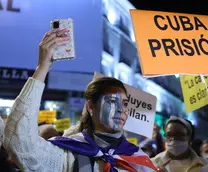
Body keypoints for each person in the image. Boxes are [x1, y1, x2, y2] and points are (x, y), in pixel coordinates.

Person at [3, 29, 158, 172]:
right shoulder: (68, 154)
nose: (121, 109)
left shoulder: (139, 160)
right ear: (90, 107)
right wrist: (43, 67)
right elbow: (20, 144)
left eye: (125, 103)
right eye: (111, 101)